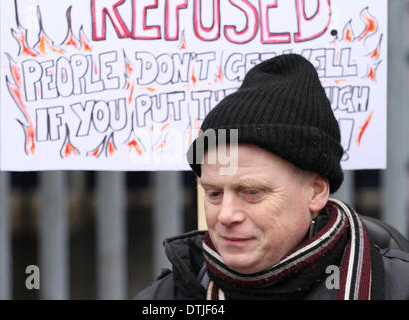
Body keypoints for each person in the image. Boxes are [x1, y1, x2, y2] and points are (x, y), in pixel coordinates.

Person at [135, 54, 409, 300]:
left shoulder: (396, 287)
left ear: (315, 192)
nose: (226, 216)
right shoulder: (174, 293)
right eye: (214, 193)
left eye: (252, 192)